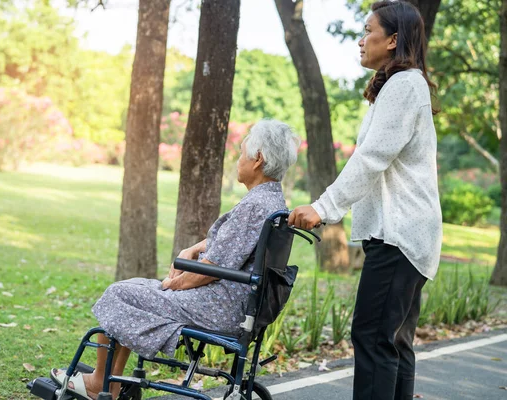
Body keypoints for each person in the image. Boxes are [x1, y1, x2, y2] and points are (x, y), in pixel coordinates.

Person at [52, 119, 300, 400]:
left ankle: (101, 384)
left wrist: (176, 283)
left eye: (242, 154)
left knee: (119, 293)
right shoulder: (272, 203)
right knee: (135, 288)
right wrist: (194, 248)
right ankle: (110, 381)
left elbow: (214, 268)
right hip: (235, 304)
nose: (238, 161)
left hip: (219, 307)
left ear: (258, 160)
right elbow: (237, 244)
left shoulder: (255, 205)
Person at [288, 2, 442, 399]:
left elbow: (372, 157)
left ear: (392, 41)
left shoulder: (406, 85)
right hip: (408, 235)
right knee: (394, 342)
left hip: (399, 234)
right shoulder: (404, 85)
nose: (361, 39)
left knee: (373, 336)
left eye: (368, 30)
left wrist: (323, 208)